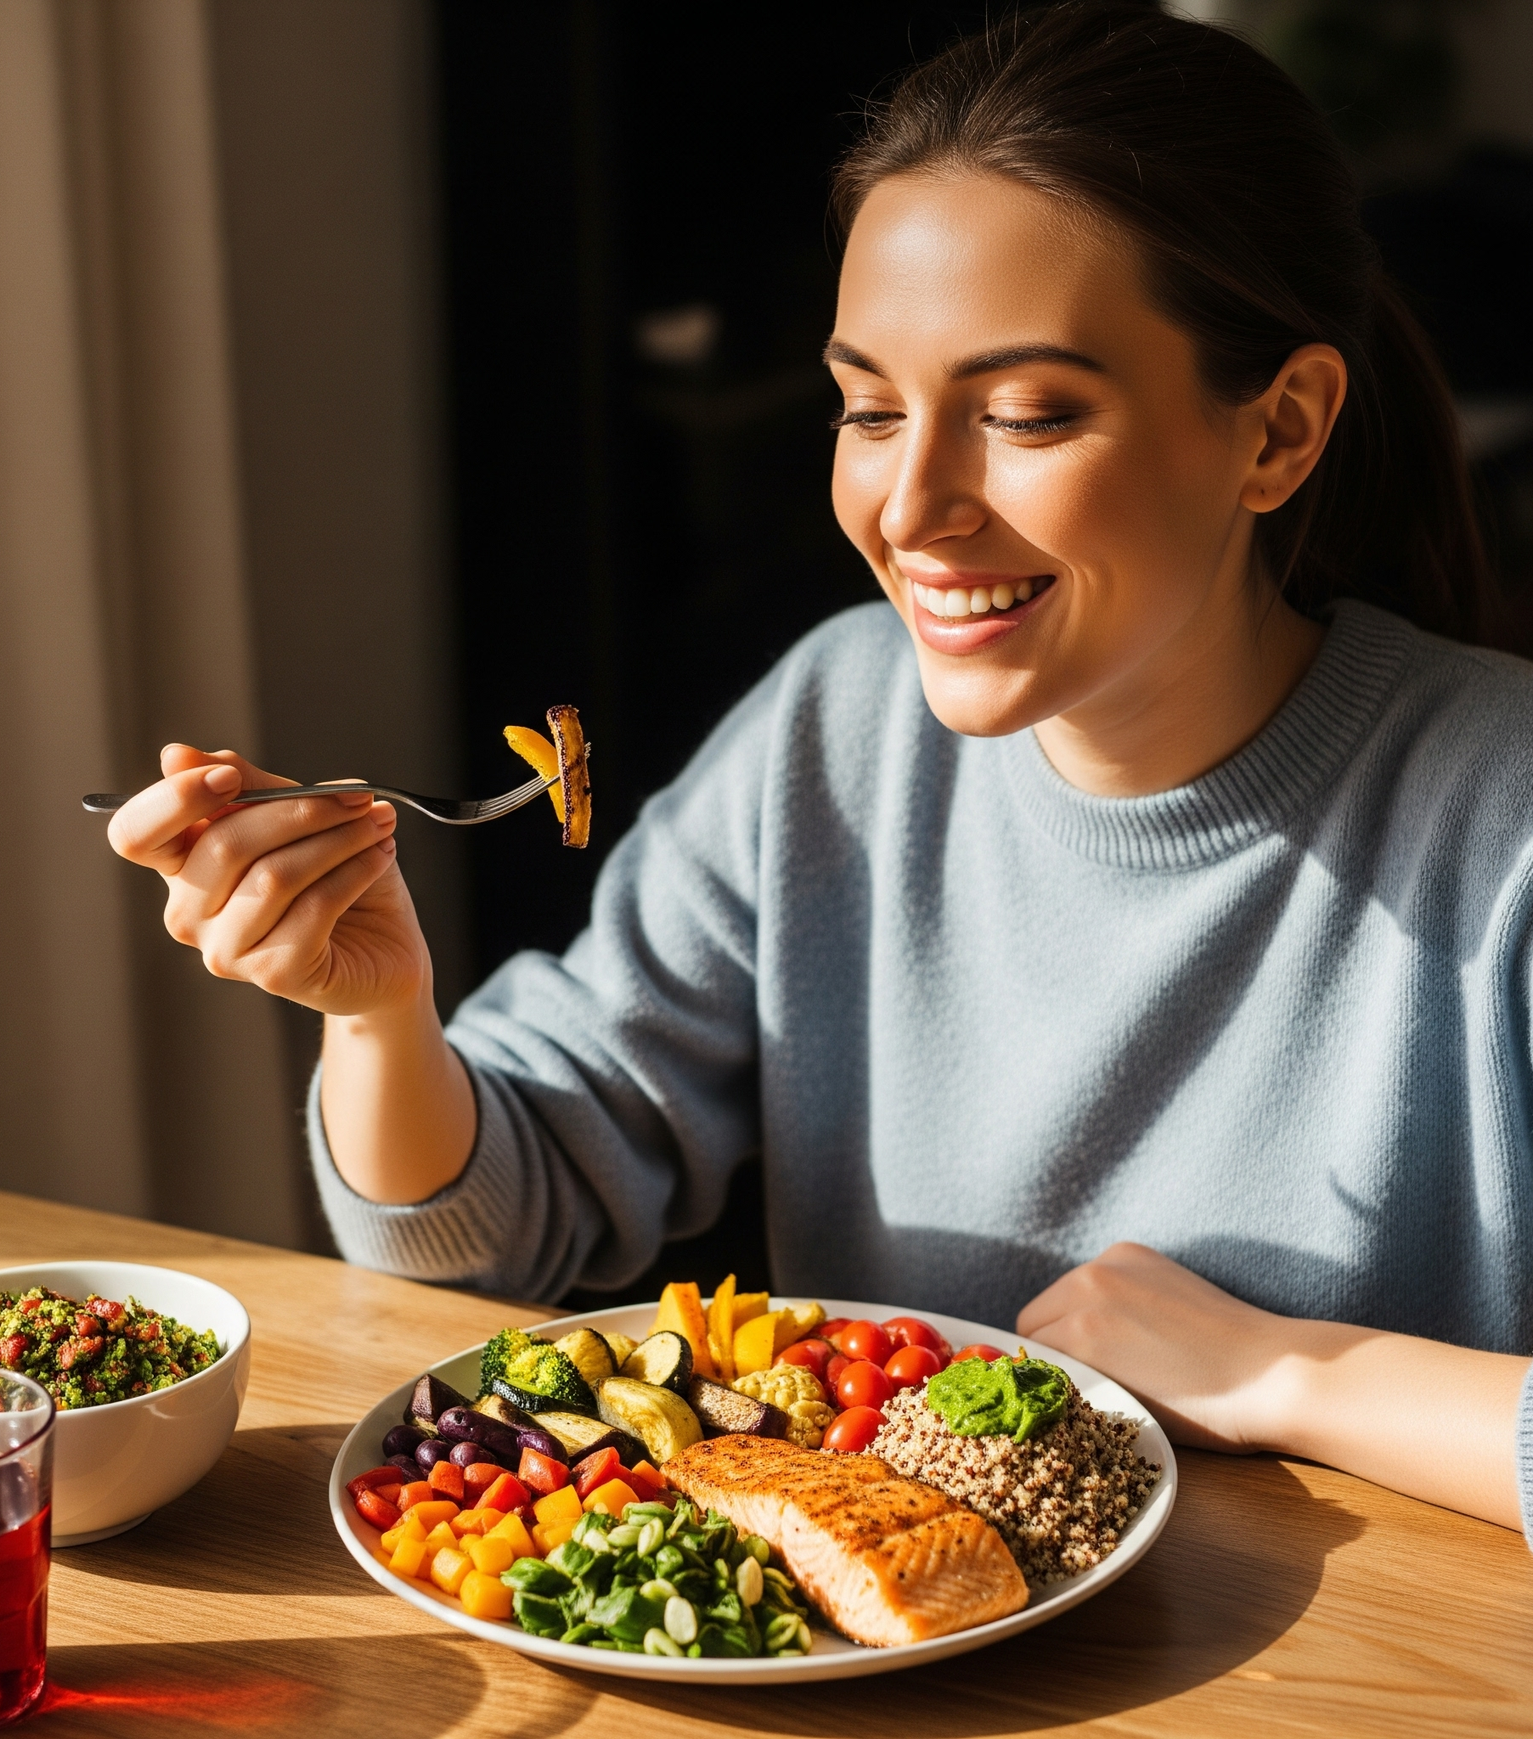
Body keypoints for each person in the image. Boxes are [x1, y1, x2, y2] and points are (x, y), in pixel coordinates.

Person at [105, 2, 1532, 1540]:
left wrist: (1287, 1370)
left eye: (1029, 414)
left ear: (1282, 429)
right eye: (867, 407)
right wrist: (377, 1009)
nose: (912, 506)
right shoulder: (837, 730)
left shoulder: (1498, 814)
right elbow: (490, 1229)